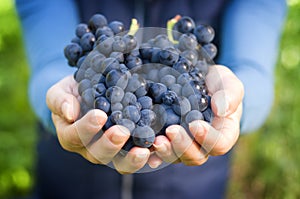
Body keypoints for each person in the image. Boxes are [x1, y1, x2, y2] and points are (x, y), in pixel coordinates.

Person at [15, 0, 287, 198]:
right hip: (69, 179)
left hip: (193, 181)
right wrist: (57, 101)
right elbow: (51, 55)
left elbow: (252, 67)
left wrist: (236, 104)